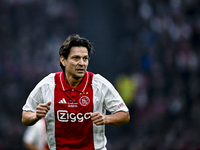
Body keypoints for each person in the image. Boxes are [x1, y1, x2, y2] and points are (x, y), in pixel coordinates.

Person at [22, 34, 130, 150]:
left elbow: (124, 115)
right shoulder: (48, 85)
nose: (82, 63)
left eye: (85, 58)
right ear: (63, 60)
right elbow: (25, 117)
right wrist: (36, 116)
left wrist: (106, 119)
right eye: (76, 58)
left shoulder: (99, 84)